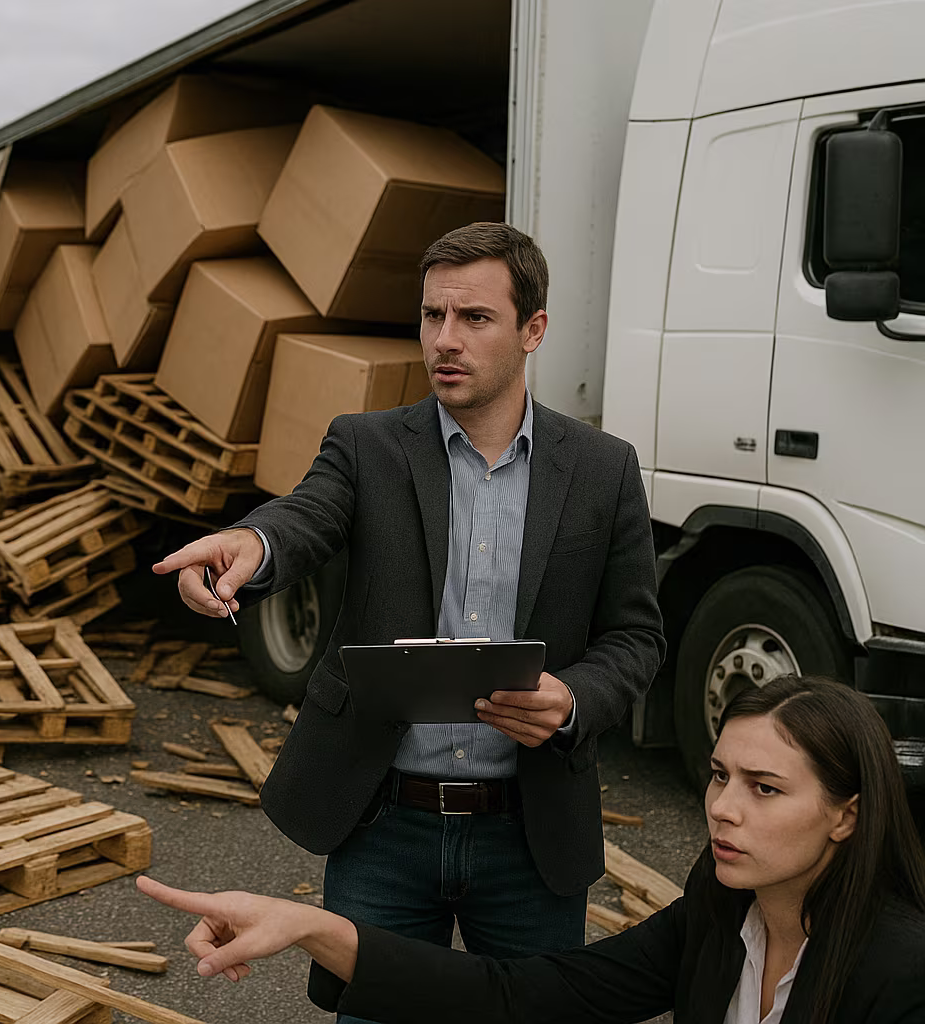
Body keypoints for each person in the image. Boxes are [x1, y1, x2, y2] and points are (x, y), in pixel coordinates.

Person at [152, 222, 666, 993]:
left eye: (475, 317)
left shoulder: (602, 469)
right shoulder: (367, 447)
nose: (444, 339)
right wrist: (250, 545)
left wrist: (571, 700)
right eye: (433, 315)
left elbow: (636, 636)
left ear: (533, 330)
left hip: (531, 832)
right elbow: (306, 515)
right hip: (384, 825)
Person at [139, 676, 925, 1024]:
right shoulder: (721, 913)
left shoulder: (901, 973)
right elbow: (519, 997)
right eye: (720, 775)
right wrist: (306, 925)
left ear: (846, 816)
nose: (722, 807)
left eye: (765, 788)